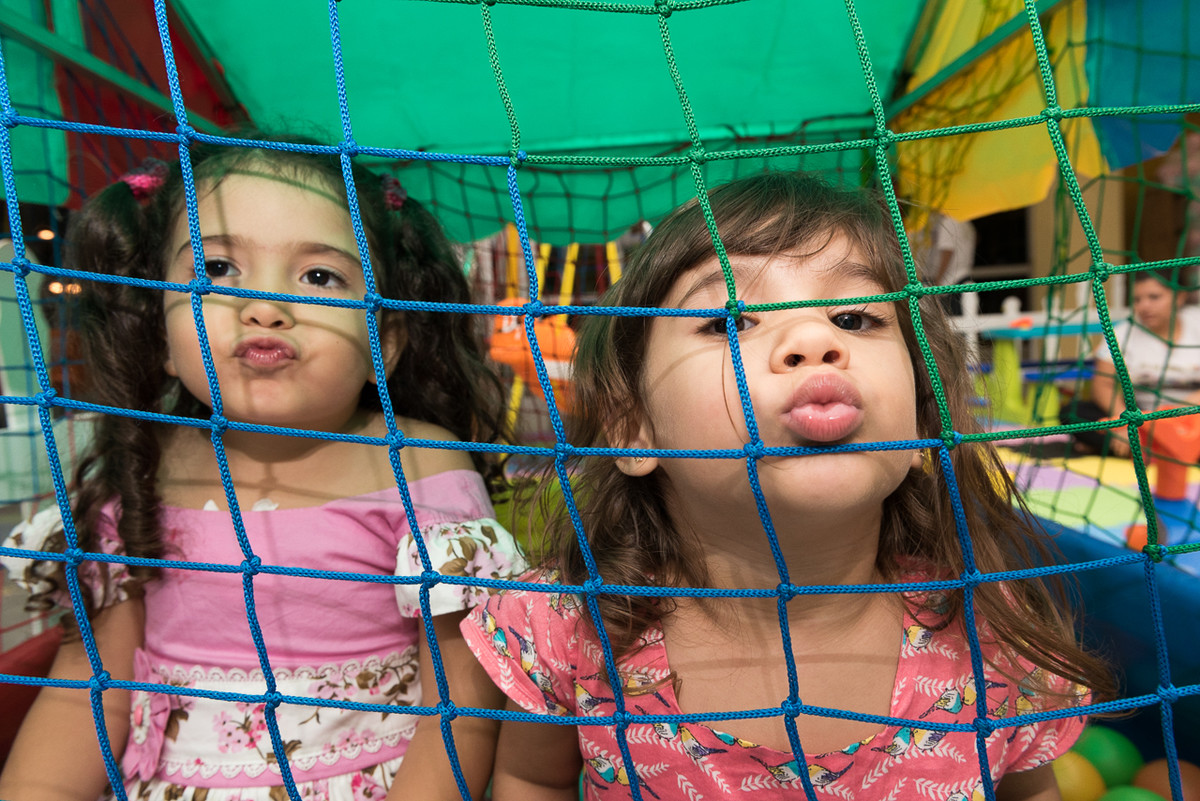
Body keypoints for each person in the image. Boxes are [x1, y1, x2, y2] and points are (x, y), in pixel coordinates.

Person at [461, 172, 1113, 800]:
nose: (811, 339)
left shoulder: (987, 633)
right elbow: (536, 778)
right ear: (632, 428)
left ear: (920, 418)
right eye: (728, 319)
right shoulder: (572, 625)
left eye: (855, 318)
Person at [0, 134, 526, 801]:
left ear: (383, 344)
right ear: (161, 336)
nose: (264, 306)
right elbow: (89, 693)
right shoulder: (142, 468)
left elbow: (463, 711)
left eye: (318, 275)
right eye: (217, 269)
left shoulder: (417, 465)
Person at [1070, 267, 1200, 457]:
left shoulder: (1196, 322)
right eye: (1137, 300)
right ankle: (1157, 448)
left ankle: (1144, 450)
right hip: (1143, 419)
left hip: (1191, 416)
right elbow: (1102, 385)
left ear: (1179, 297)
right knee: (1074, 413)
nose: (1144, 306)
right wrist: (1124, 423)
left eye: (1154, 297)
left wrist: (1182, 410)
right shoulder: (1122, 333)